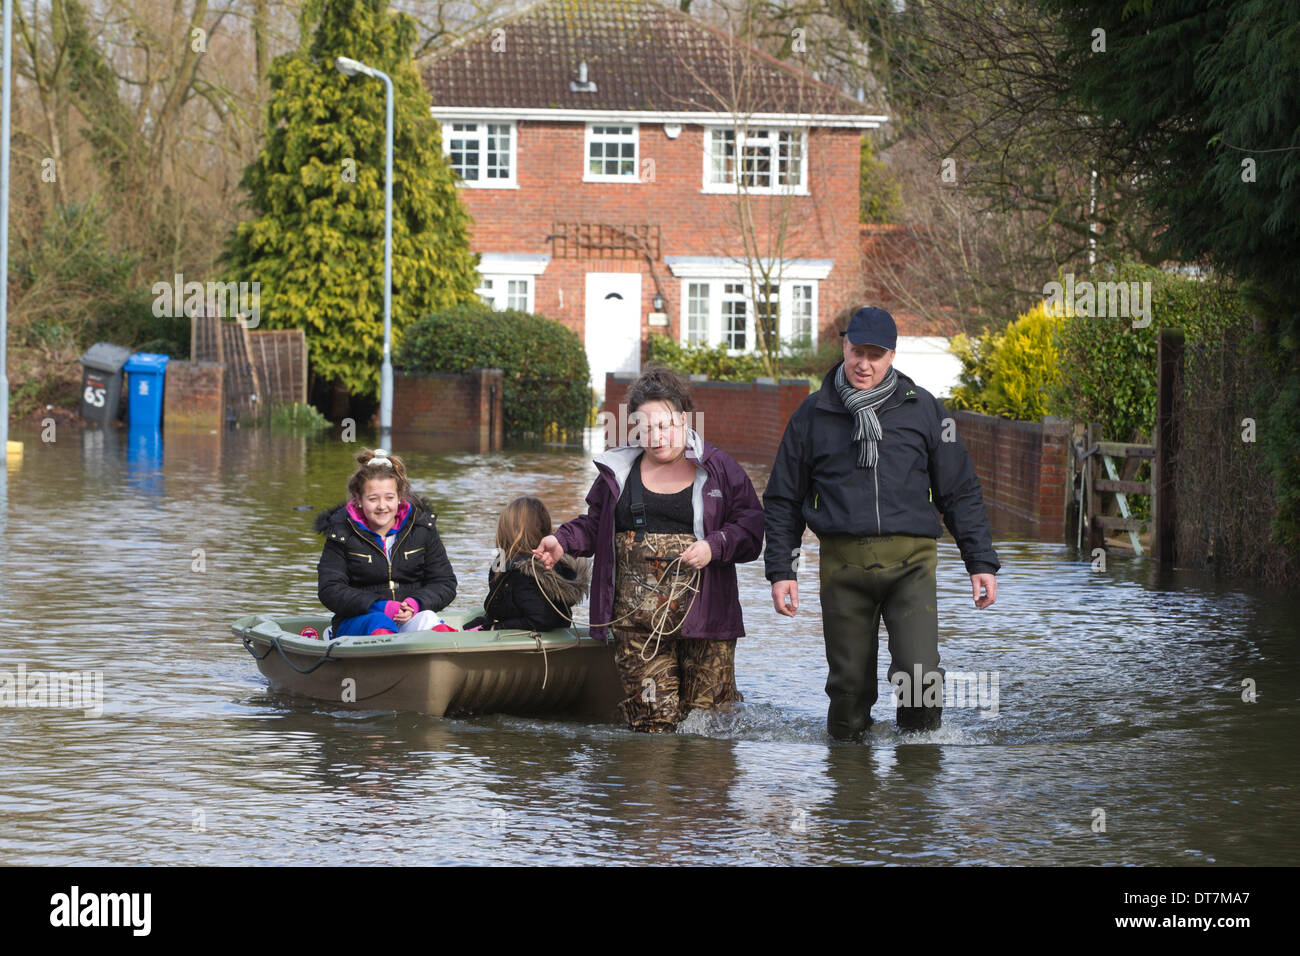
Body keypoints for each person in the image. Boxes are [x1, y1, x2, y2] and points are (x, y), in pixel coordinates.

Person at [763, 306, 1000, 739]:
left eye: (875, 355)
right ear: (844, 345)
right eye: (857, 351)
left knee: (920, 677)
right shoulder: (811, 415)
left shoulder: (926, 410)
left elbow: (959, 489)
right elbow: (783, 498)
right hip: (842, 568)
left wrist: (979, 560)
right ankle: (850, 790)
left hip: (911, 565)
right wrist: (782, 571)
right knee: (849, 693)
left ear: (892, 355)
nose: (863, 364)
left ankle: (918, 769)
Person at [533, 366, 765, 733]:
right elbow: (595, 525)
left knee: (709, 729)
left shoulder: (720, 469)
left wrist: (714, 546)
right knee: (652, 728)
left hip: (709, 623)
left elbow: (752, 529)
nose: (656, 437)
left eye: (665, 425)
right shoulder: (617, 473)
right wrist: (562, 541)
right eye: (645, 428)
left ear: (685, 420)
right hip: (638, 630)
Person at [315, 448, 458, 637]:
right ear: (358, 499)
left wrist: (415, 604)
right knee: (379, 623)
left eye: (389, 498)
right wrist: (379, 606)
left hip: (410, 617)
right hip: (359, 619)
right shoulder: (340, 533)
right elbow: (330, 589)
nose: (382, 506)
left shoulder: (423, 529)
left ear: (399, 497)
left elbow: (444, 582)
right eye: (373, 499)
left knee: (431, 621)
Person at [465, 496, 591, 632]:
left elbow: (541, 619)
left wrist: (496, 627)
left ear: (507, 530)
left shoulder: (522, 573)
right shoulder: (552, 566)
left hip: (530, 643)